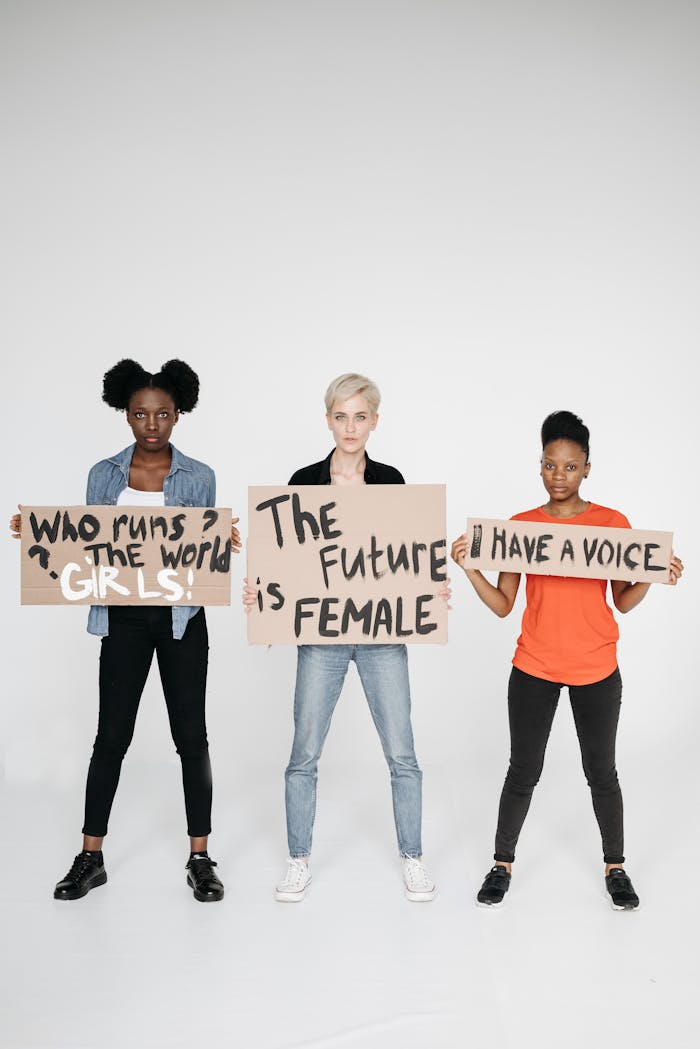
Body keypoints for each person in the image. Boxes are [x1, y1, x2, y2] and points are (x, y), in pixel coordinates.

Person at [10, 359, 241, 902]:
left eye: (162, 414)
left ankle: (200, 857)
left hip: (183, 620)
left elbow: (199, 560)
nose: (152, 424)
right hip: (124, 619)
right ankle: (91, 856)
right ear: (126, 415)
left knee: (192, 738)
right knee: (111, 736)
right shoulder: (103, 475)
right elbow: (88, 547)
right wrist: (43, 538)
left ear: (179, 414)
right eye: (140, 414)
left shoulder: (199, 476)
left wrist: (221, 544)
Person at [450, 410, 683, 910]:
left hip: (596, 668)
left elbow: (622, 600)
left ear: (587, 468)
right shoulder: (521, 528)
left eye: (570, 467)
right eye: (550, 466)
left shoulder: (611, 525)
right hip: (534, 666)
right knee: (522, 770)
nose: (560, 476)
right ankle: (501, 863)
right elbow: (503, 605)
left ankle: (616, 867)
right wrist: (471, 570)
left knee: (602, 772)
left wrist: (653, 573)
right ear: (539, 466)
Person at [245, 372, 448, 902]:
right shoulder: (303, 480)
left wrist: (429, 589)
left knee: (402, 753)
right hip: (322, 636)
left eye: (360, 416)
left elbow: (404, 559)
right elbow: (285, 561)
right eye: (341, 415)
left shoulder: (391, 481)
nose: (350, 426)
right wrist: (264, 595)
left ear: (374, 421)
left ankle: (412, 857)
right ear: (328, 419)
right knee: (304, 752)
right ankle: (298, 857)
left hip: (382, 637)